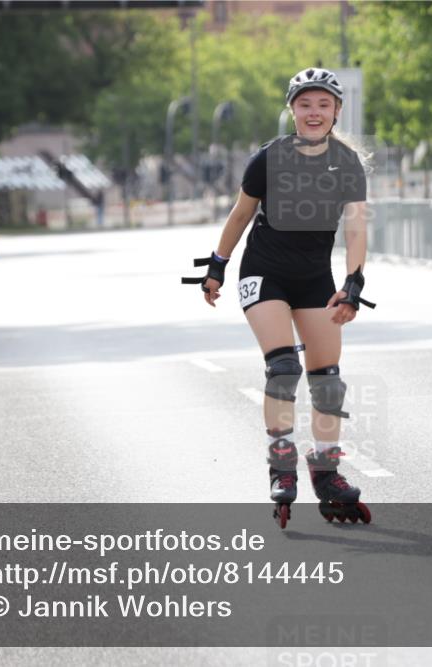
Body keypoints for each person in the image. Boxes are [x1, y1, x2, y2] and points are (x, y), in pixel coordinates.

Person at [182, 67, 375, 527]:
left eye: (323, 104)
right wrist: (217, 266)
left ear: (336, 111)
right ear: (292, 109)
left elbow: (356, 225)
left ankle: (326, 470)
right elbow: (241, 214)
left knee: (327, 377)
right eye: (305, 104)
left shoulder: (347, 164)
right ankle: (281, 462)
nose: (314, 112)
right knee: (284, 366)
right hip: (263, 273)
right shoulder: (268, 159)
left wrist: (353, 282)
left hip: (313, 279)